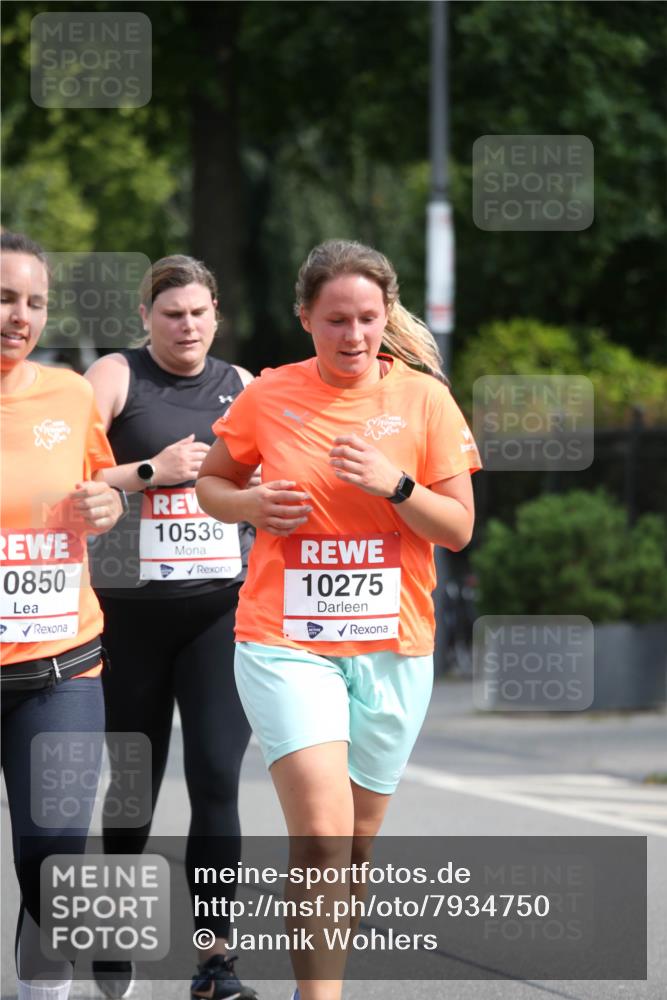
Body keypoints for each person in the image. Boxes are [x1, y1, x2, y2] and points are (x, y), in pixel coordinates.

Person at [196, 239, 482, 1000]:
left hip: (393, 645)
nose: (352, 336)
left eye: (365, 319)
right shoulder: (269, 395)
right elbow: (211, 484)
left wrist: (395, 485)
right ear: (305, 320)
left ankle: (311, 983)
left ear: (386, 316)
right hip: (285, 641)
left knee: (353, 849)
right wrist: (250, 504)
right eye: (334, 321)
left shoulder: (424, 400)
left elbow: (456, 528)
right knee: (321, 839)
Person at [84, 255, 258, 1000]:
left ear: (216, 313)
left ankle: (214, 960)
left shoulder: (245, 386)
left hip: (219, 609)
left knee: (217, 778)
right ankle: (116, 939)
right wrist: (150, 471)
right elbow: (66, 475)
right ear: (147, 317)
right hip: (129, 616)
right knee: (132, 786)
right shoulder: (116, 377)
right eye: (170, 313)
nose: (186, 326)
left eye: (197, 312)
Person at [1, 231, 125, 1000]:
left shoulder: (70, 394)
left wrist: (106, 504)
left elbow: (96, 490)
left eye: (35, 302)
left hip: (60, 664)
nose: (20, 316)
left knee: (55, 856)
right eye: (5, 299)